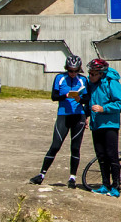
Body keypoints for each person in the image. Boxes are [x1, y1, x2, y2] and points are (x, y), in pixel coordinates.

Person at [31, 55, 88, 189]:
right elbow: (54, 96)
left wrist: (81, 100)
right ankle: (42, 174)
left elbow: (88, 99)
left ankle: (72, 178)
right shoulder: (60, 78)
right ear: (66, 69)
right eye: (70, 71)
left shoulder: (83, 80)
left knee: (75, 148)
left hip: (78, 116)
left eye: (75, 71)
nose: (73, 74)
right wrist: (66, 96)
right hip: (63, 115)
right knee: (55, 146)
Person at [84, 57, 121, 197]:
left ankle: (115, 187)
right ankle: (105, 185)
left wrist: (104, 108)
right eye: (90, 73)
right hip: (96, 124)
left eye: (93, 74)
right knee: (101, 156)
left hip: (110, 124)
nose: (90, 76)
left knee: (112, 155)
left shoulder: (111, 82)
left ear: (101, 73)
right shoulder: (92, 84)